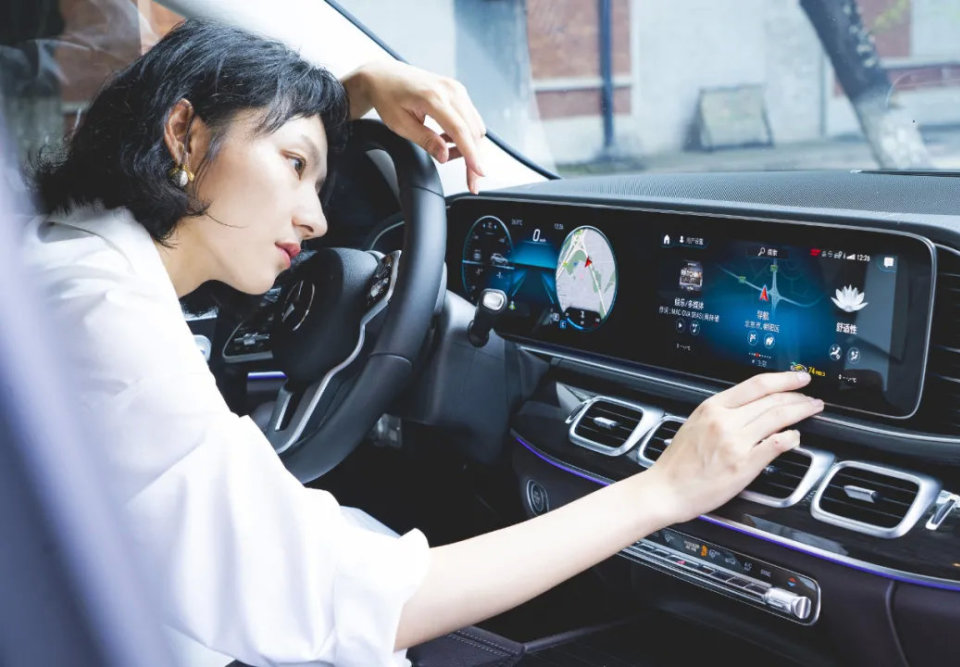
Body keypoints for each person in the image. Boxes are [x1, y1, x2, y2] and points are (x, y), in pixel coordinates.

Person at [22, 19, 823, 667]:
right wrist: (666, 489)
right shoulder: (106, 321)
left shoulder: (65, 260)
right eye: (295, 165)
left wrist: (360, 86)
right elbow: (352, 603)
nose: (317, 220)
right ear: (183, 135)